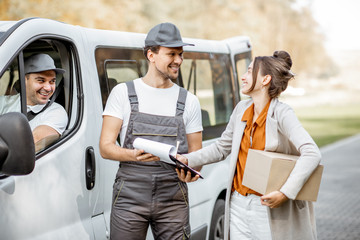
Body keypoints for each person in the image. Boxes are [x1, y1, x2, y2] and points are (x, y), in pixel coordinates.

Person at [177, 51, 321, 240]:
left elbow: (312, 153)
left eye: (250, 71)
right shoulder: (241, 110)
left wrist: (285, 193)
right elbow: (222, 148)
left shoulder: (282, 113)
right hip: (237, 204)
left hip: (266, 207)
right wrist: (187, 159)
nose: (243, 77)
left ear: (265, 79)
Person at [99, 22, 203, 240]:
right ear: (151, 55)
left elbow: (197, 155)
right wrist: (133, 155)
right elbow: (106, 147)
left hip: (173, 197)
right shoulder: (123, 93)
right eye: (172, 54)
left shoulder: (189, 101)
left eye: (181, 54)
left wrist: (191, 169)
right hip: (129, 195)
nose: (179, 60)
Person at [0, 53, 68, 146]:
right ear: (25, 80)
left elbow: (31, 145)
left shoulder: (56, 112)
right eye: (41, 80)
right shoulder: (3, 102)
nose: (48, 88)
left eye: (52, 81)